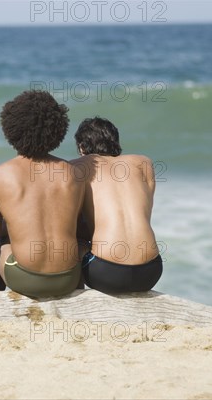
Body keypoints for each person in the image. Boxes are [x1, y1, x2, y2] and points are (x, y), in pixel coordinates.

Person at [0, 90, 84, 298]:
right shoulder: (75, 174)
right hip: (69, 278)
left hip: (26, 279)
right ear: (57, 129)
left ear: (11, 128)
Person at [70, 117, 162, 293]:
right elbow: (145, 211)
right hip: (151, 272)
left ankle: (76, 303)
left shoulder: (77, 166)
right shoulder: (143, 163)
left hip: (106, 274)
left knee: (74, 242)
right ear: (115, 141)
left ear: (82, 147)